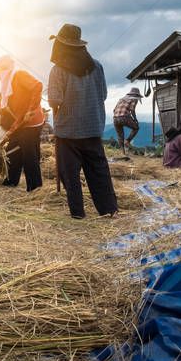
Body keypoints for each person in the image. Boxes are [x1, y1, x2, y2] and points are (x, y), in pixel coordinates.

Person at [47, 24, 118, 219]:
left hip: (68, 131)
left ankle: (78, 213)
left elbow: (55, 100)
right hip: (93, 126)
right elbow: (102, 95)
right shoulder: (97, 65)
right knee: (98, 170)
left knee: (69, 173)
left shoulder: (58, 70)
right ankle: (108, 209)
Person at [0, 55, 45, 192]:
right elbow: (3, 105)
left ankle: (35, 187)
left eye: (1, 69)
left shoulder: (19, 75)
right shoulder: (5, 85)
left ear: (8, 68)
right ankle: (11, 180)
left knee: (29, 153)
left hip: (31, 121)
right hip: (19, 122)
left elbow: (37, 86)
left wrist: (31, 109)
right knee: (12, 150)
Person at [112, 87, 144, 155]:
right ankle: (127, 141)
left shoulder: (121, 99)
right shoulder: (134, 99)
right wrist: (135, 119)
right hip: (124, 117)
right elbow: (132, 110)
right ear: (137, 95)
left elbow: (114, 110)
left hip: (115, 118)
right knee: (136, 128)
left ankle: (123, 152)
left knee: (120, 135)